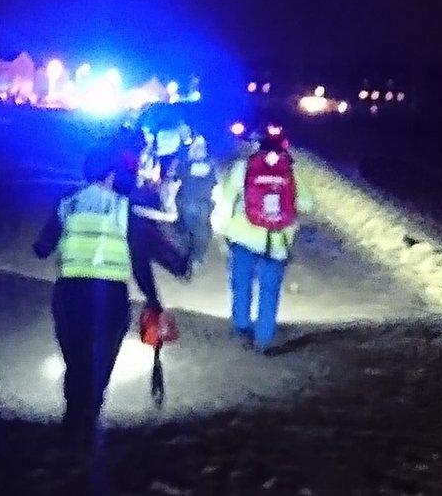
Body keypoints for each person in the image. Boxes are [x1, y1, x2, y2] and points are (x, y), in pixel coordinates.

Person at [33, 146, 182, 439]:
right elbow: (140, 261)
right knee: (101, 358)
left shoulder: (68, 203)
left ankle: (72, 416)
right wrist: (153, 301)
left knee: (74, 358)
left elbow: (42, 248)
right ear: (112, 176)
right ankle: (90, 414)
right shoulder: (123, 209)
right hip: (110, 296)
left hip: (69, 293)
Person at [214, 125, 312, 352]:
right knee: (269, 291)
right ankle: (264, 338)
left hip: (242, 236)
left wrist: (222, 225)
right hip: (277, 242)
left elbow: (226, 199)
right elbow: (307, 203)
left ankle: (241, 329)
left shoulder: (243, 167)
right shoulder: (291, 171)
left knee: (241, 284)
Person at [174, 135, 218, 274]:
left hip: (188, 202)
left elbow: (176, 177)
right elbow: (214, 182)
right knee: (201, 231)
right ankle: (197, 258)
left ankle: (188, 258)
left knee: (187, 231)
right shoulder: (210, 164)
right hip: (203, 203)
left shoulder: (186, 163)